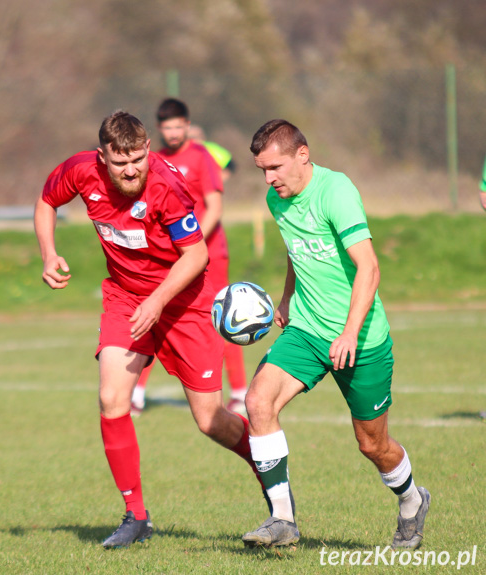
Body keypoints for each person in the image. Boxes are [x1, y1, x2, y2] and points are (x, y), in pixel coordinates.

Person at [34, 111, 267, 549]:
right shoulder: (80, 171)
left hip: (182, 303)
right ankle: (136, 515)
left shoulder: (167, 186)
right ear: (102, 157)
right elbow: (47, 200)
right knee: (111, 398)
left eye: (138, 158)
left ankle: (266, 464)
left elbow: (196, 256)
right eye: (121, 161)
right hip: (125, 298)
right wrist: (48, 253)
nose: (132, 169)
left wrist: (158, 301)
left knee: (209, 420)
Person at [241, 120, 430, 549]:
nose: (269, 179)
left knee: (372, 444)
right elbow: (296, 248)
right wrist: (287, 297)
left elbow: (370, 267)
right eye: (262, 171)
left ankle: (411, 500)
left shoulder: (336, 191)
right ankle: (283, 520)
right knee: (257, 401)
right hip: (308, 330)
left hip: (361, 339)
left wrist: (348, 333)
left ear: (302, 155)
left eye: (275, 167)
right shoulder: (278, 199)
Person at [130, 99, 248, 417]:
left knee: (223, 319)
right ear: (159, 129)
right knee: (155, 316)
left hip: (208, 254)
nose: (172, 132)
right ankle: (135, 393)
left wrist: (193, 248)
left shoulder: (201, 156)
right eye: (166, 127)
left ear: (187, 124)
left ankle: (239, 392)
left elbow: (215, 208)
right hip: (168, 257)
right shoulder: (153, 160)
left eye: (178, 126)